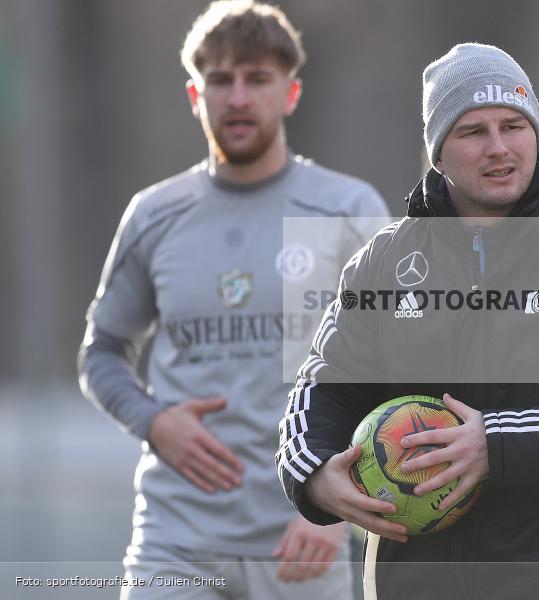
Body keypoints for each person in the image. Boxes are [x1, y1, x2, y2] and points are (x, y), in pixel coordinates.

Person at [276, 43, 539, 600]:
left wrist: (496, 444)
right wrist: (313, 473)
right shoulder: (383, 264)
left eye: (514, 125)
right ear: (437, 155)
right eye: (473, 132)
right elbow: (321, 386)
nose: (499, 148)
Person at [77, 2, 390, 598]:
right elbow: (102, 353)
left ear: (291, 93)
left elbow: (392, 366)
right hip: (177, 540)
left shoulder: (347, 211)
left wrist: (338, 509)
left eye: (257, 79)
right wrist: (153, 420)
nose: (238, 97)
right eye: (220, 80)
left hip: (302, 540)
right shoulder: (154, 216)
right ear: (195, 95)